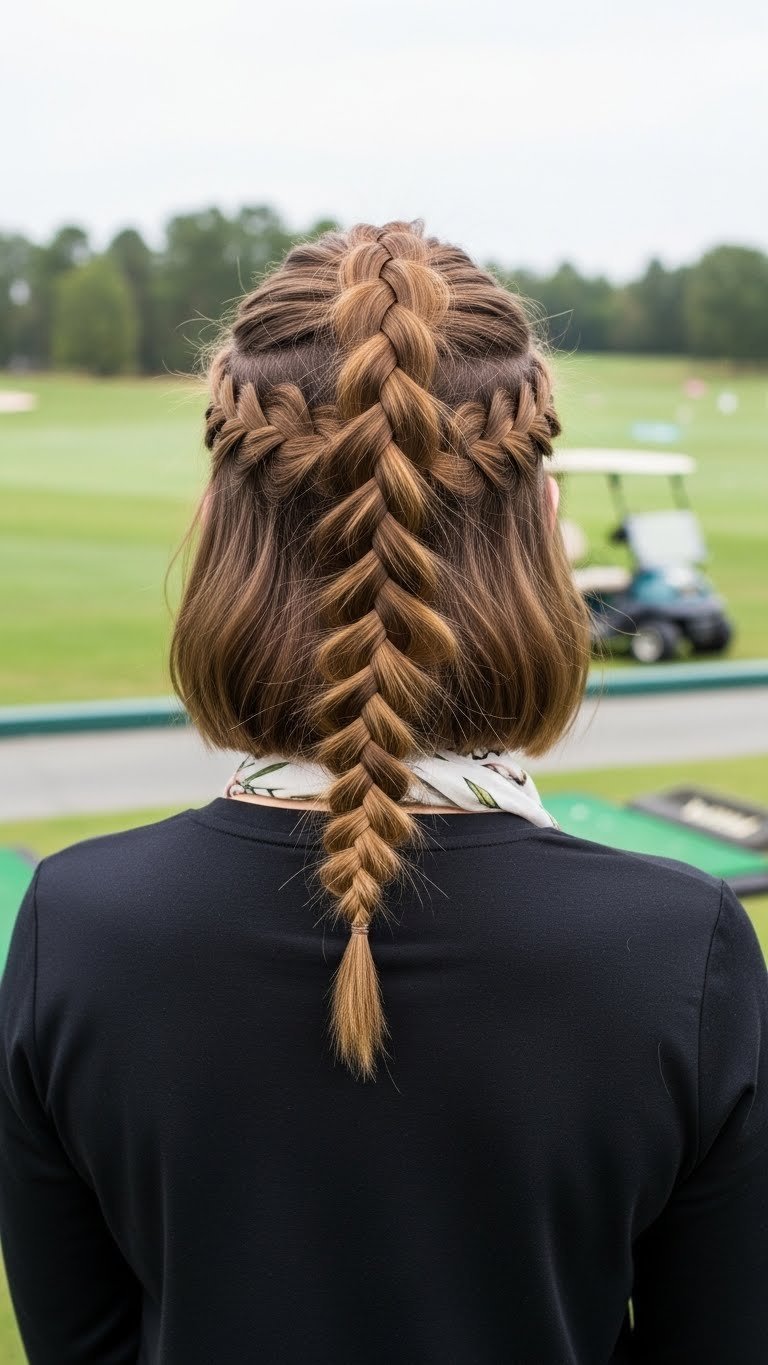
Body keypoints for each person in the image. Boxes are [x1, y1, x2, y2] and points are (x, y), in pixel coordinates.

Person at [0, 220, 766, 1364]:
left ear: (215, 533)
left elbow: (84, 1339)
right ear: (545, 537)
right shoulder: (681, 950)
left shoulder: (75, 923)